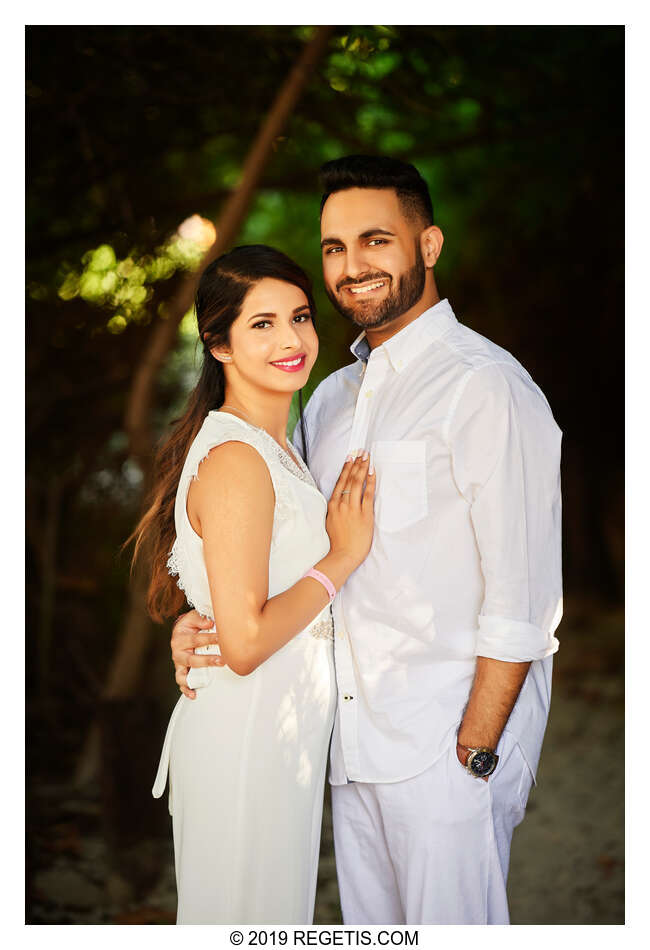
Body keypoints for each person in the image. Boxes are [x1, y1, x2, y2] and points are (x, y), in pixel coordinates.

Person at [170, 156, 563, 925]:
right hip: (344, 750)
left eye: (376, 240)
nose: (353, 267)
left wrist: (477, 749)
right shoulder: (329, 400)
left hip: (443, 750)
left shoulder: (485, 385)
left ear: (429, 245)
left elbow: (524, 592)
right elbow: (281, 555)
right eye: (334, 249)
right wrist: (204, 619)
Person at [134, 244, 375, 923]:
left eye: (299, 317)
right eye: (261, 324)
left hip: (277, 732)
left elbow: (234, 596)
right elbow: (242, 643)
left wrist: (193, 620)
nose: (291, 339)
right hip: (246, 733)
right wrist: (341, 559)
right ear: (219, 345)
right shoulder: (238, 456)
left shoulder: (279, 443)